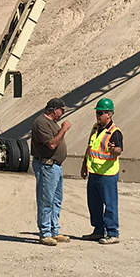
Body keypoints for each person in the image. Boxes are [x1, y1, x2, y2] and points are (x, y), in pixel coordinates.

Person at [80, 97, 123, 244]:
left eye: (100, 113)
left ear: (109, 114)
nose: (97, 115)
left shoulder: (115, 132)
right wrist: (84, 164)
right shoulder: (95, 128)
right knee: (94, 204)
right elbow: (90, 147)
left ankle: (112, 232)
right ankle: (98, 231)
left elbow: (119, 150)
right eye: (97, 113)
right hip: (94, 172)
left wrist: (114, 150)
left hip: (107, 175)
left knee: (110, 205)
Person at [30, 97, 72, 246]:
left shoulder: (51, 123)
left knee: (56, 200)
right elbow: (52, 145)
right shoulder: (41, 123)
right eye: (62, 110)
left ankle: (54, 230)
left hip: (55, 167)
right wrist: (63, 129)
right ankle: (45, 233)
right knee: (46, 200)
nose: (63, 113)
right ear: (54, 110)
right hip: (46, 166)